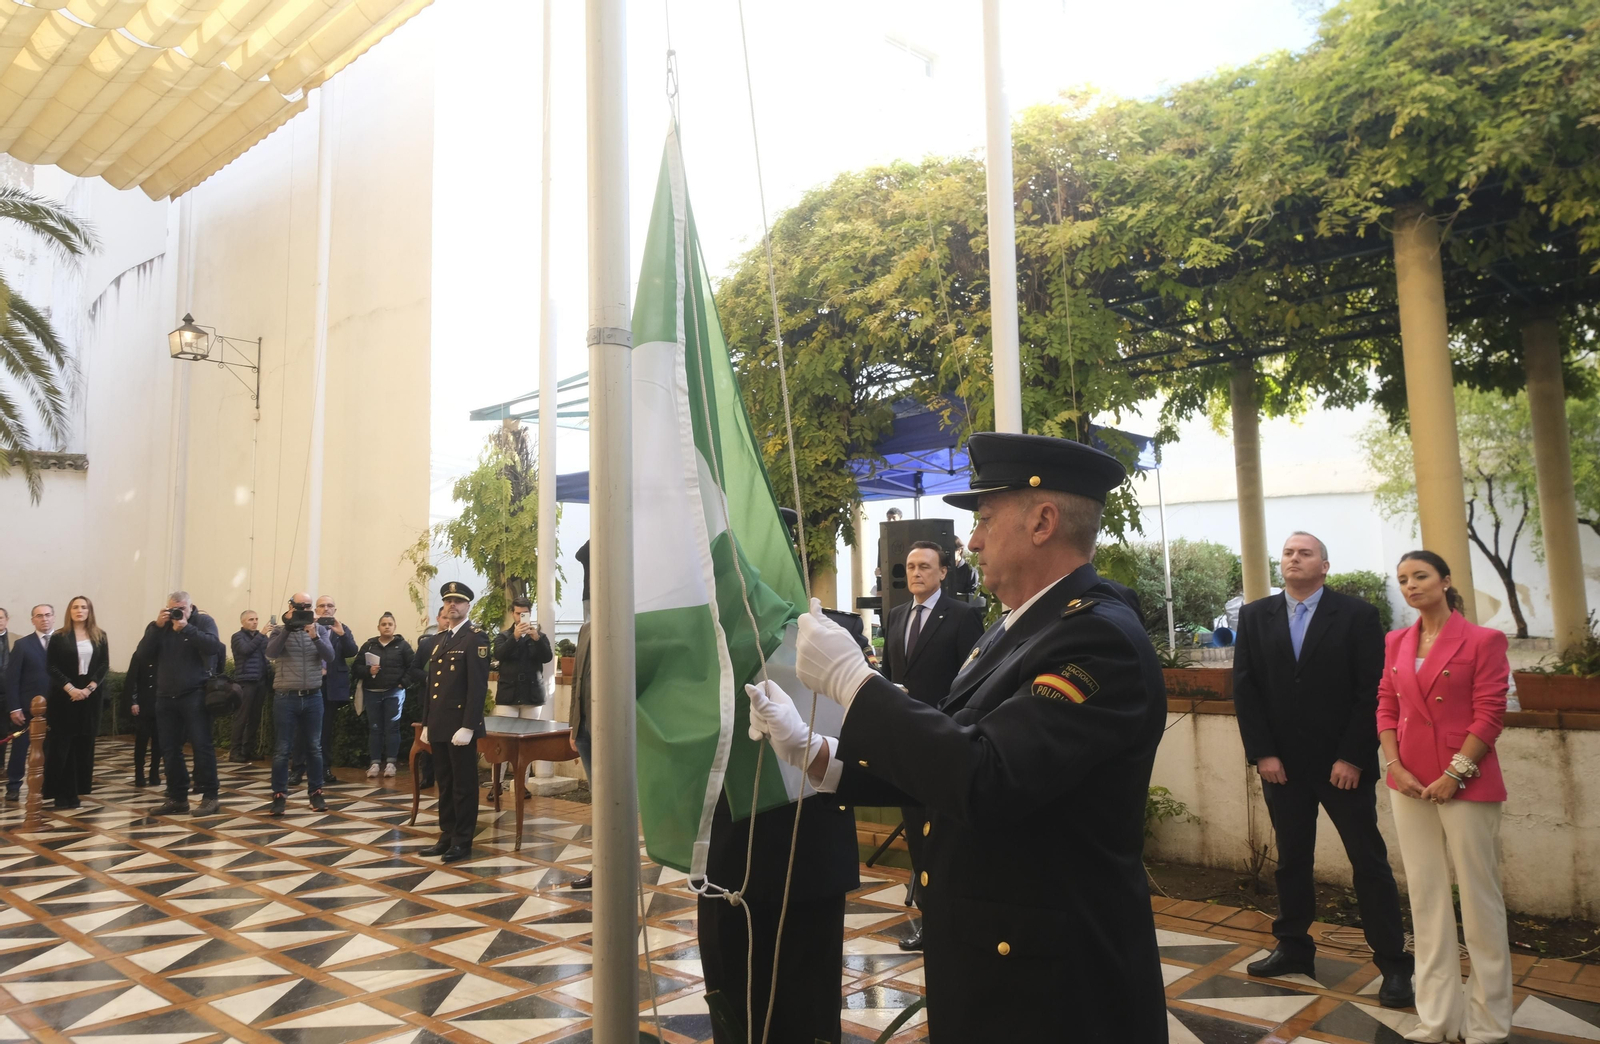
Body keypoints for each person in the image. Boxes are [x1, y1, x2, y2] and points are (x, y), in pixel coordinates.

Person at [747, 432, 1168, 1040]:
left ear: (1043, 521)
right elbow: (947, 747)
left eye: (986, 520)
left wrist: (854, 684)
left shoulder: (1098, 639)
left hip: (1054, 988)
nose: (970, 540)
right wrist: (817, 753)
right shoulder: (1010, 631)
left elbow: (987, 775)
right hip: (993, 961)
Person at [1231, 532, 1413, 1005]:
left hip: (1342, 767)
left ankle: (1393, 965)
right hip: (1281, 768)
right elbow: (1246, 689)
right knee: (1292, 861)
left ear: (1325, 566)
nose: (1294, 558)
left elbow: (1371, 689)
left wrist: (1353, 755)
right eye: (1288, 552)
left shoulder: (1356, 615)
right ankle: (1293, 948)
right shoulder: (1255, 616)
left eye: (1304, 552)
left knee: (1368, 863)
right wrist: (1263, 753)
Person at [1378, 550, 1512, 1043]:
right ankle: (1436, 1018)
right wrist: (1395, 766)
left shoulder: (1483, 640)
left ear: (1445, 580)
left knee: (1479, 902)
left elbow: (1490, 714)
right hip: (1408, 783)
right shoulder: (1396, 641)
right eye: (1403, 580)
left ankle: (1489, 1023)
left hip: (1467, 783)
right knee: (1426, 899)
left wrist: (1455, 774)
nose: (1411, 586)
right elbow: (1386, 707)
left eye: (1420, 576)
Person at [880, 540, 984, 951]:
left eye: (925, 566)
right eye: (910, 566)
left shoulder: (962, 617)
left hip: (945, 740)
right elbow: (889, 675)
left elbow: (973, 682)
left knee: (947, 838)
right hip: (907, 746)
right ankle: (930, 921)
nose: (916, 573)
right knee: (919, 840)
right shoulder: (895, 615)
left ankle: (960, 918)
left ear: (944, 572)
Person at [133, 592, 226, 816]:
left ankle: (210, 796)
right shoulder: (159, 626)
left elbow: (214, 646)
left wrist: (186, 627)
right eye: (173, 608)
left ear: (191, 607)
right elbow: (142, 655)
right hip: (165, 696)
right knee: (170, 749)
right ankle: (177, 797)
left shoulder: (203, 621)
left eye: (182, 608)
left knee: (202, 746)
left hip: (194, 693)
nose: (177, 612)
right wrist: (156, 627)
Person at [418, 581, 490, 863]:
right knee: (445, 783)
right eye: (448, 601)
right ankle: (446, 835)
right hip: (439, 724)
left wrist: (469, 725)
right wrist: (426, 723)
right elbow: (431, 688)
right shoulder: (439, 640)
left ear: (467, 605)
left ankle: (462, 841)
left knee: (463, 785)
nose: (452, 605)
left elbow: (477, 687)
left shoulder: (476, 638)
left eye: (458, 601)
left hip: (460, 726)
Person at [265, 592, 338, 815]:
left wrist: (314, 635)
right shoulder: (279, 630)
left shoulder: (321, 629)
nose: (305, 610)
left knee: (314, 748)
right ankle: (279, 796)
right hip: (286, 697)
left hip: (313, 696)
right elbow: (270, 652)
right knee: (282, 749)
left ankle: (316, 793)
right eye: (301, 606)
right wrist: (288, 627)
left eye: (308, 606)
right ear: (291, 607)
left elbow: (330, 656)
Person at [44, 596, 109, 809]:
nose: (79, 610)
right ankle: (61, 793)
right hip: (65, 696)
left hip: (89, 698)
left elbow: (103, 665)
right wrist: (71, 688)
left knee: (83, 745)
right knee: (62, 747)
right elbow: (52, 667)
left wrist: (89, 688)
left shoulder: (100, 636)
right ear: (69, 611)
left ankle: (76, 792)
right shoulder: (59, 637)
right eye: (75, 607)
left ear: (90, 611)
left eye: (83, 607)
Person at [293, 594, 356, 786]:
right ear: (315, 610)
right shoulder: (305, 627)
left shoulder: (341, 628)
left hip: (330, 687)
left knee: (325, 731)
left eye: (330, 606)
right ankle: (297, 769)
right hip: (308, 683)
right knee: (301, 731)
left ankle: (324, 768)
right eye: (322, 606)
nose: (326, 609)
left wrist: (341, 634)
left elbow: (352, 651)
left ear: (335, 610)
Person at [356, 612, 413, 778]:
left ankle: (390, 763)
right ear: (378, 627)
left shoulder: (402, 646)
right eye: (384, 624)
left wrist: (403, 683)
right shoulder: (369, 645)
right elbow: (357, 668)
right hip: (372, 693)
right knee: (375, 729)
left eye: (390, 624)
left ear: (394, 627)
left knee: (392, 728)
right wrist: (368, 670)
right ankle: (374, 763)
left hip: (394, 693)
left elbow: (413, 667)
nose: (387, 627)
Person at [5, 604, 52, 801]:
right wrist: (14, 707)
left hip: (55, 707)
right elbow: (12, 678)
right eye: (39, 616)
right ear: (32, 620)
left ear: (54, 617)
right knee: (20, 748)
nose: (44, 619)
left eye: (48, 615)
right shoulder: (23, 645)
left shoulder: (63, 643)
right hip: (27, 708)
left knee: (52, 748)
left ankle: (49, 785)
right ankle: (14, 785)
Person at [229, 610, 271, 762]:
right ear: (243, 622)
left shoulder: (261, 637)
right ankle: (234, 752)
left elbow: (268, 653)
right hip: (246, 681)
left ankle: (248, 749)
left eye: (256, 619)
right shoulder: (237, 637)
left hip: (261, 681)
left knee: (255, 717)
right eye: (251, 619)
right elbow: (245, 650)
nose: (255, 622)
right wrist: (261, 635)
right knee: (242, 717)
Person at [123, 645, 161, 788]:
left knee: (159, 741)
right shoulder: (139, 654)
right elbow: (132, 678)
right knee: (142, 740)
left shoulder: (164, 654)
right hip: (143, 704)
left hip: (160, 703)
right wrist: (133, 701)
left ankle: (154, 772)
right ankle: (139, 773)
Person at [947, 535, 978, 600]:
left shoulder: (970, 570)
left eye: (951, 551)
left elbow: (973, 594)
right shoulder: (944, 569)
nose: (948, 554)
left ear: (959, 551)